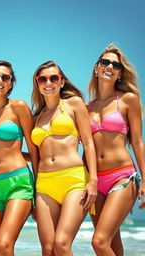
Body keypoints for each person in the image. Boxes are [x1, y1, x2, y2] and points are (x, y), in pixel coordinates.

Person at [31, 61, 97, 256]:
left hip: (73, 180)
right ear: (37, 83)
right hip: (44, 185)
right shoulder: (36, 116)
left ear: (61, 81)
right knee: (48, 249)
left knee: (61, 244)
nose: (48, 82)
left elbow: (88, 143)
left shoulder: (74, 103)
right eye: (42, 79)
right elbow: (35, 154)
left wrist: (93, 180)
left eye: (54, 78)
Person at [0, 60, 38, 256]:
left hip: (18, 183)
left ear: (11, 83)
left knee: (4, 246)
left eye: (5, 77)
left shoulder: (18, 107)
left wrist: (38, 190)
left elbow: (34, 151)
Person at [87, 44, 144, 256]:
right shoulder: (86, 108)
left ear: (120, 73)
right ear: (97, 68)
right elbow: (85, 147)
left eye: (115, 64)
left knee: (99, 242)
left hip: (122, 177)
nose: (110, 66)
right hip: (95, 181)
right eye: (105, 62)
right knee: (112, 245)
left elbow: (138, 142)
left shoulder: (128, 100)